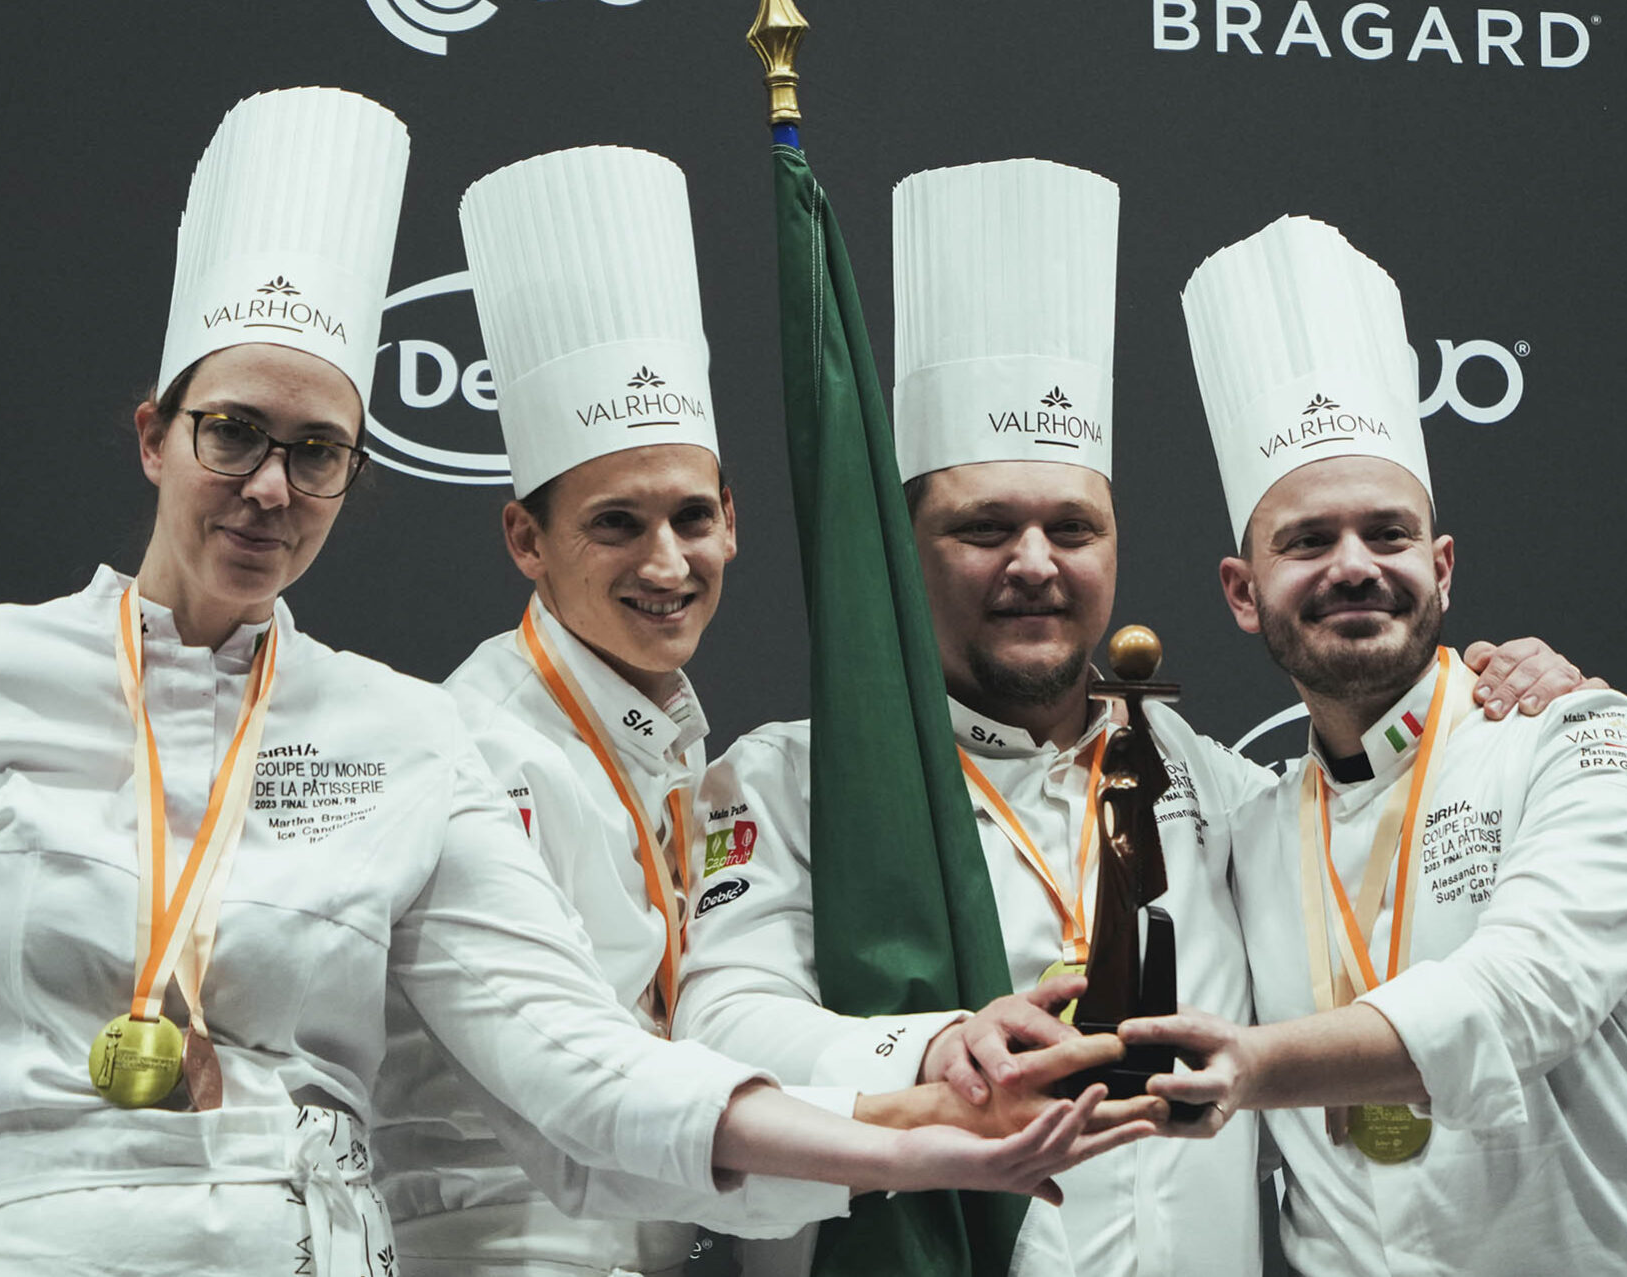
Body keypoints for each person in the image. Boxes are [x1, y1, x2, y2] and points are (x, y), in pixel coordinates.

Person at [0, 90, 1149, 1277]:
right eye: (233, 432)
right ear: (154, 435)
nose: (271, 486)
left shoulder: (400, 733)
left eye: (318, 449)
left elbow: (574, 1062)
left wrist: (908, 1130)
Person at [677, 160, 1595, 1277]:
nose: (1034, 563)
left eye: (1073, 527)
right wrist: (934, 1044)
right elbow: (719, 1030)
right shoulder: (789, 780)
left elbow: (1381, 813)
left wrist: (1505, 684)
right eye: (983, 528)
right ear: (904, 556)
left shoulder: (1224, 792)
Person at [370, 146, 1140, 1277]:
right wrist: (919, 1122)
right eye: (616, 523)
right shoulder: (472, 750)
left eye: (691, 516)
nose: (666, 563)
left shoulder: (675, 747)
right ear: (525, 538)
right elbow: (585, 1086)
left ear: (733, 519)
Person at [1122, 214, 1627, 1274]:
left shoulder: (1582, 741)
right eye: (1307, 540)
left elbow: (1521, 992)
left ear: (1442, 567)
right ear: (1242, 591)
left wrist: (1252, 1064)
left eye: (1388, 533)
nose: (1353, 565)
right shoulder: (1246, 823)